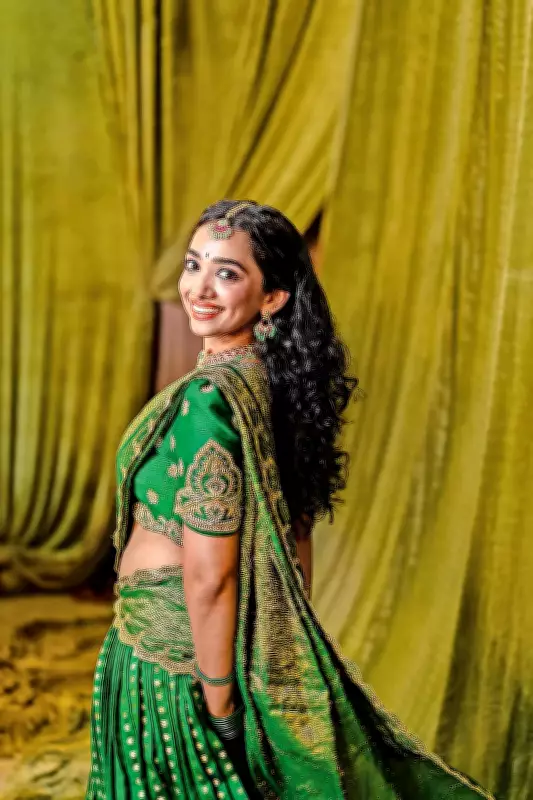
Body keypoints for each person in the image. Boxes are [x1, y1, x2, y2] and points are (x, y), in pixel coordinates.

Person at [86, 201, 494, 799]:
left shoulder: (210, 402)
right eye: (194, 264)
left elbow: (211, 577)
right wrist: (274, 662)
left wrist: (221, 703)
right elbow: (294, 541)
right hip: (219, 650)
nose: (199, 288)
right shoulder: (276, 387)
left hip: (173, 664)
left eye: (227, 273)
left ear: (272, 297)